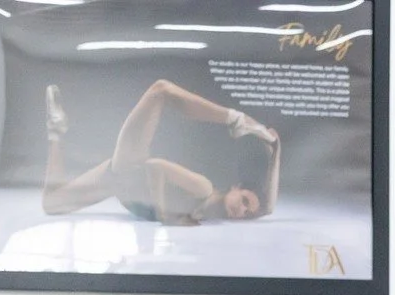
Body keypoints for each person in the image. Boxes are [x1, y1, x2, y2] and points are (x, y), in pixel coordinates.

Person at [41, 79, 280, 226]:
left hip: (120, 185)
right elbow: (154, 167)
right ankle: (236, 119)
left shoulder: (214, 210)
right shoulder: (204, 188)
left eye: (248, 212)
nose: (243, 210)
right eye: (245, 201)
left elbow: (267, 207)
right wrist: (165, 214)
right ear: (235, 187)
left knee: (51, 204)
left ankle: (56, 129)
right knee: (161, 90)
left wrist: (277, 150)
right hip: (129, 168)